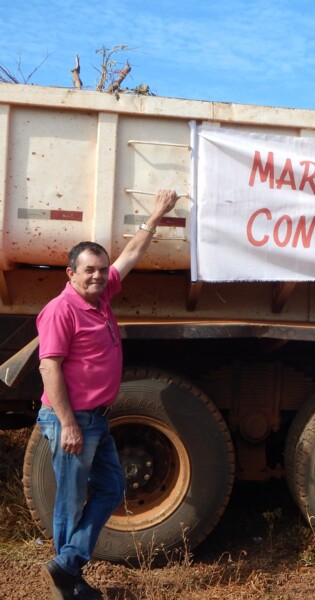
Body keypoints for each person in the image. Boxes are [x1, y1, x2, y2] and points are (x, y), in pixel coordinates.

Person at [37, 190, 178, 599]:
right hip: (73, 419)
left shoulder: (99, 299)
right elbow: (49, 367)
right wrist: (67, 424)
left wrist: (155, 215)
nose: (98, 276)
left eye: (101, 269)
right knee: (70, 499)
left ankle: (67, 565)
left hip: (95, 417)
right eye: (89, 271)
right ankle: (69, 577)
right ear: (70, 274)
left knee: (112, 489)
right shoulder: (62, 310)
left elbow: (130, 256)